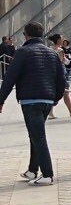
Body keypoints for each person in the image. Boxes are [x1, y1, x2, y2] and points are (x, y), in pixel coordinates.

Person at [0, 21, 65, 184]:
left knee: (38, 136)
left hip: (30, 100)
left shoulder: (22, 52)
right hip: (47, 99)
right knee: (35, 134)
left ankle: (48, 174)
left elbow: (9, 78)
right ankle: (32, 170)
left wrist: (1, 100)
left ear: (26, 34)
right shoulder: (52, 54)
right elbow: (61, 79)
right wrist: (55, 98)